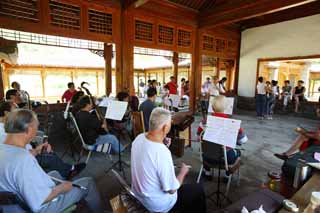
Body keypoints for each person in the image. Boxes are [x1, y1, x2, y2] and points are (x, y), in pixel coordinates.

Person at [0, 109, 102, 212]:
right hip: (41, 208)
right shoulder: (23, 160)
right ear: (29, 129)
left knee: (55, 174)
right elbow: (38, 202)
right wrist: (62, 188)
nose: (36, 131)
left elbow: (15, 163)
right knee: (88, 183)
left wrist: (36, 151)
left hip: (12, 203)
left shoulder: (4, 148)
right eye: (36, 126)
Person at [131, 108, 206, 213]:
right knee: (198, 190)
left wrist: (163, 144)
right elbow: (171, 190)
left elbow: (149, 154)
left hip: (139, 196)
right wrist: (183, 173)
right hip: (156, 205)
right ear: (165, 127)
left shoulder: (138, 138)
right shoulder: (162, 152)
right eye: (170, 123)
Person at [0, 101, 85, 180]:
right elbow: (20, 153)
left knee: (49, 151)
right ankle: (68, 171)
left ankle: (64, 171)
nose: (19, 112)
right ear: (6, 113)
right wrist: (36, 150)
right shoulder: (3, 132)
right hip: (25, 157)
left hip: (27, 153)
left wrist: (38, 147)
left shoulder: (8, 125)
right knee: (50, 158)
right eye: (16, 110)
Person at [197, 95, 244, 179]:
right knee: (238, 153)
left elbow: (198, 137)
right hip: (225, 158)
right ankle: (227, 175)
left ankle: (207, 172)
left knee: (206, 148)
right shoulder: (233, 123)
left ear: (212, 107)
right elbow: (242, 140)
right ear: (226, 107)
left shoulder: (204, 122)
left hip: (207, 157)